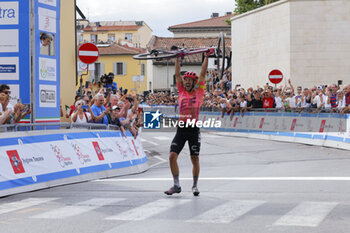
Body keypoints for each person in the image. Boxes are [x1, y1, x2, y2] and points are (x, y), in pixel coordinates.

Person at [164, 49, 212, 196]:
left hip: (193, 129)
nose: (187, 82)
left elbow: (203, 73)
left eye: (190, 80)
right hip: (181, 128)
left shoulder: (199, 92)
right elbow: (177, 74)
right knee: (172, 156)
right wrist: (178, 58)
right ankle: (176, 185)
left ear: (194, 82)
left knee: (194, 157)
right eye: (186, 80)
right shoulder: (181, 91)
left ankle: (195, 185)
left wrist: (207, 56)